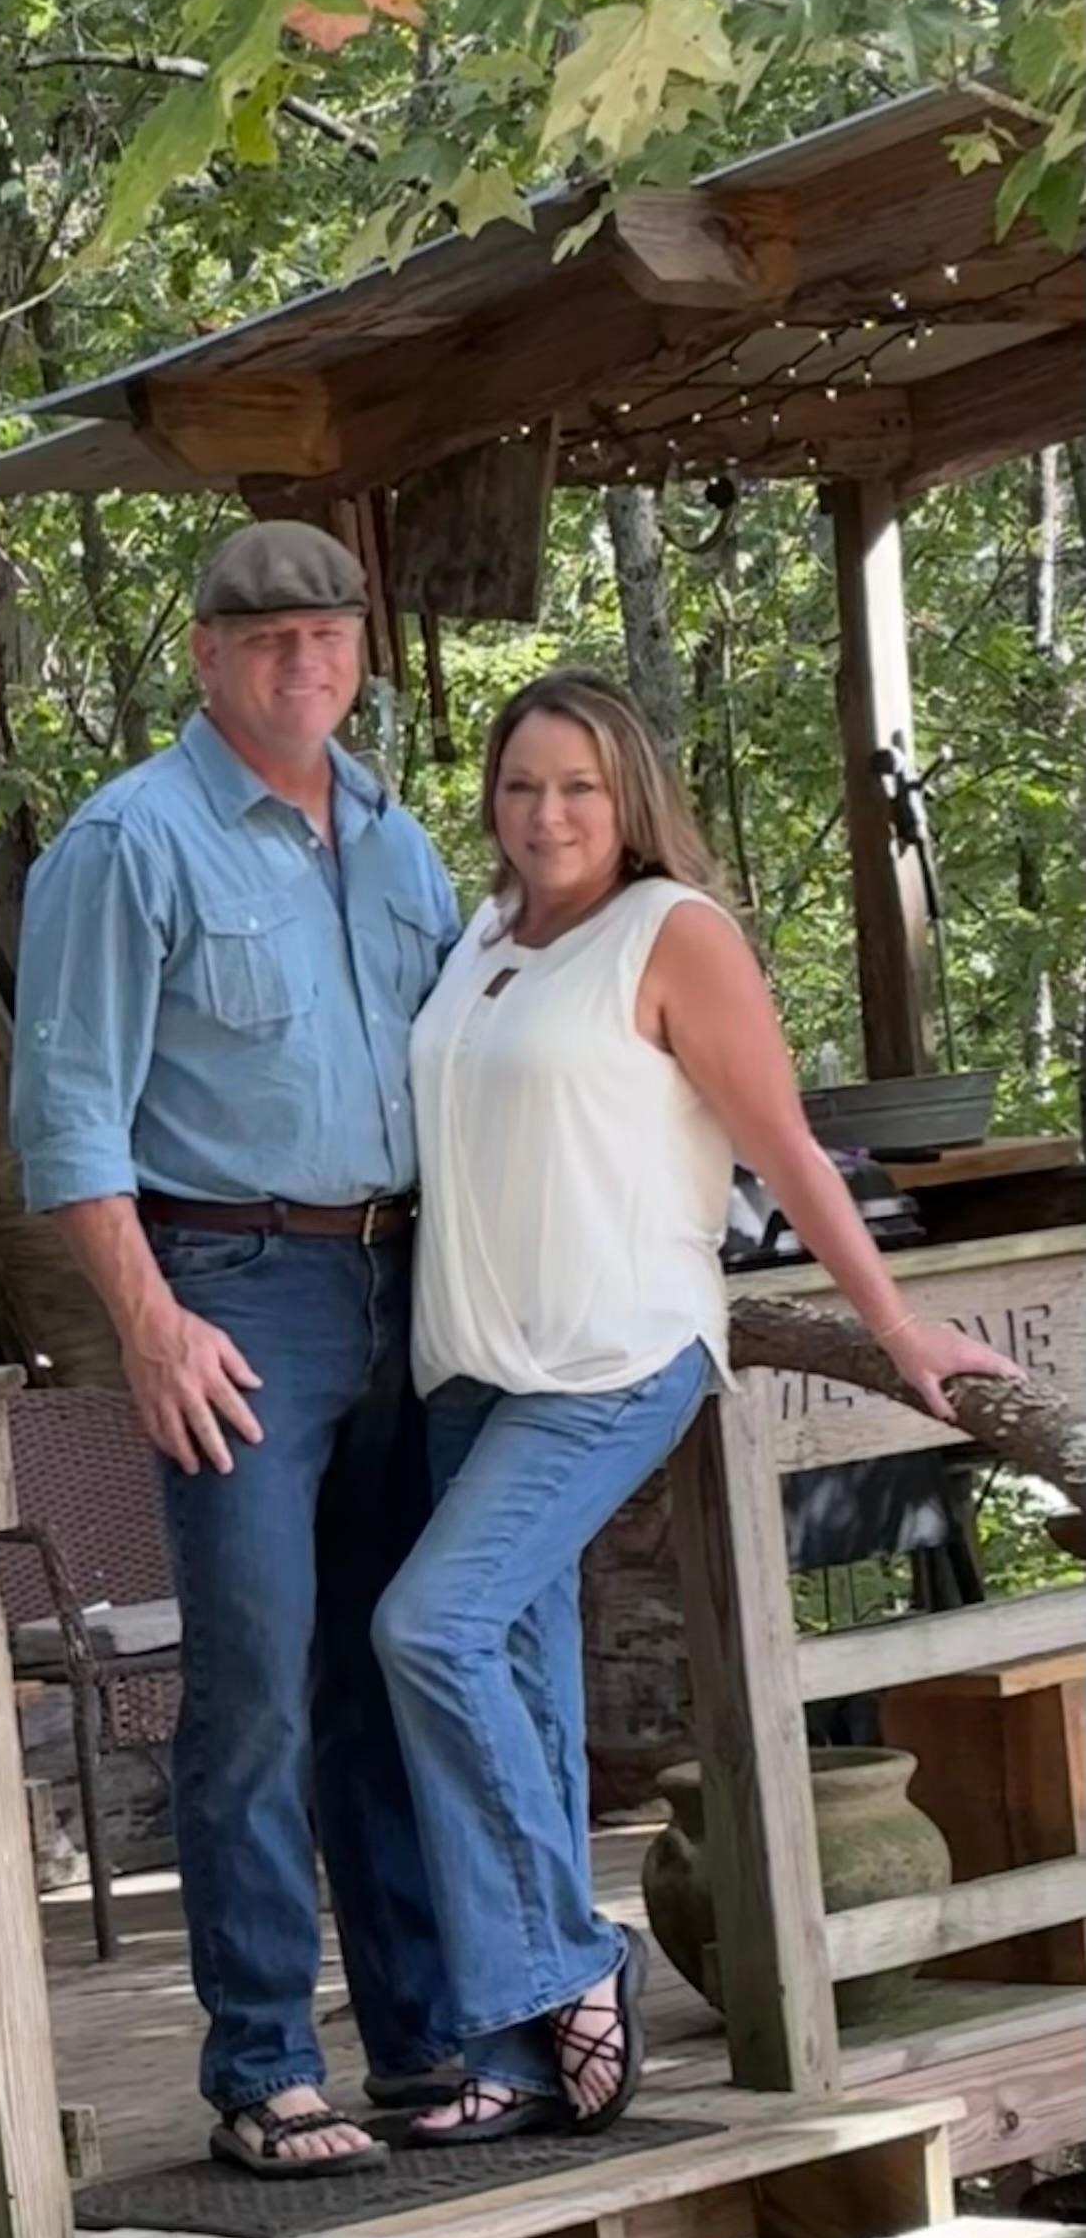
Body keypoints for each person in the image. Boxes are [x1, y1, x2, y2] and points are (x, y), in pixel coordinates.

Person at [373, 668, 1021, 2144]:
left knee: (429, 1626)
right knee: (519, 1701)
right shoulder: (482, 937)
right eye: (522, 783)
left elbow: (780, 1144)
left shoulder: (672, 934)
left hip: (610, 1358)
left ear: (631, 800)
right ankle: (523, 2055)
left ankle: (558, 1960)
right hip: (469, 1367)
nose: (546, 813)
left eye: (578, 787)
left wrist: (894, 1322)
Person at [11, 523, 459, 2177]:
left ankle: (424, 2040)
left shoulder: (399, 842)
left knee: (398, 1666)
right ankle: (266, 2066)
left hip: (403, 1288)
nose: (303, 663)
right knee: (258, 1686)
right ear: (205, 655)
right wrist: (148, 1322)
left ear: (358, 648)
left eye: (328, 633)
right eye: (266, 637)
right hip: (231, 1291)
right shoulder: (126, 845)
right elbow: (63, 1115)